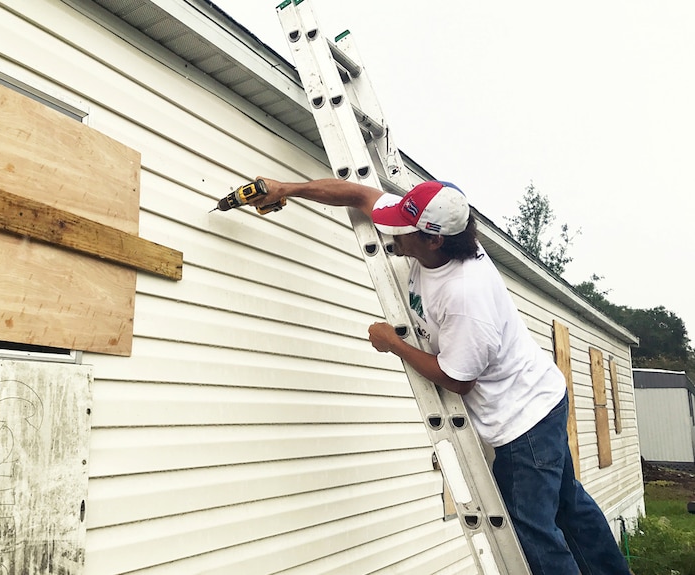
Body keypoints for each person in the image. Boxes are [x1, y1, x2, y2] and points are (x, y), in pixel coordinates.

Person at [250, 177, 631, 575]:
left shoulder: (466, 295)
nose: (392, 230)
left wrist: (393, 343)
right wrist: (286, 189)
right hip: (541, 395)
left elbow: (457, 379)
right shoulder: (431, 226)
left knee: (534, 533)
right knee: (571, 508)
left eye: (404, 229)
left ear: (434, 241)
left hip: (523, 420)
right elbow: (359, 195)